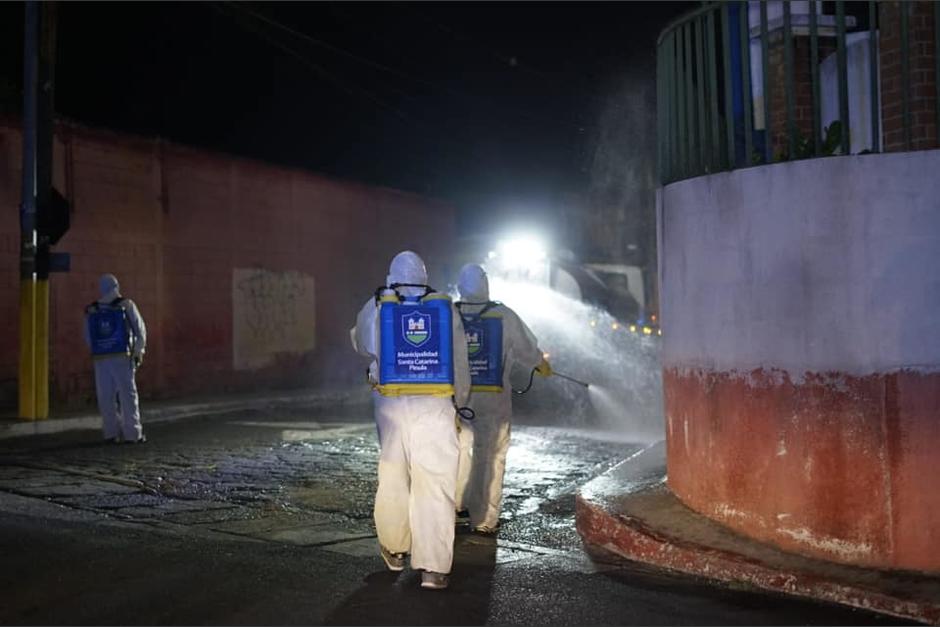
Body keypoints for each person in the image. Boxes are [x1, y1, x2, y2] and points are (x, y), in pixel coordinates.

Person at [350, 250, 470, 590]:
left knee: (393, 476)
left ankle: (395, 548)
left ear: (391, 276)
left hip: (390, 405)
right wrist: (460, 405)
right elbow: (459, 362)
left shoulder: (376, 305)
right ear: (424, 276)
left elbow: (361, 344)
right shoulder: (444, 308)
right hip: (435, 404)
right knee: (435, 483)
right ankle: (433, 569)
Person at [454, 263, 550, 534]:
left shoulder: (450, 313)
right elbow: (527, 349)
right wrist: (539, 364)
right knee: (492, 455)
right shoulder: (503, 315)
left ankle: (455, 505)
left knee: (458, 451)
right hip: (493, 398)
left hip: (458, 397)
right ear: (486, 284)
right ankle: (483, 519)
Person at [83, 274, 147, 444]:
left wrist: (99, 352)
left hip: (101, 358)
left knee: (105, 395)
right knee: (128, 395)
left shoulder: (92, 309)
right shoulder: (126, 305)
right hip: (122, 356)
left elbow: (89, 336)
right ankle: (133, 434)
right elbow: (140, 331)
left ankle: (110, 433)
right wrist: (138, 352)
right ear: (116, 286)